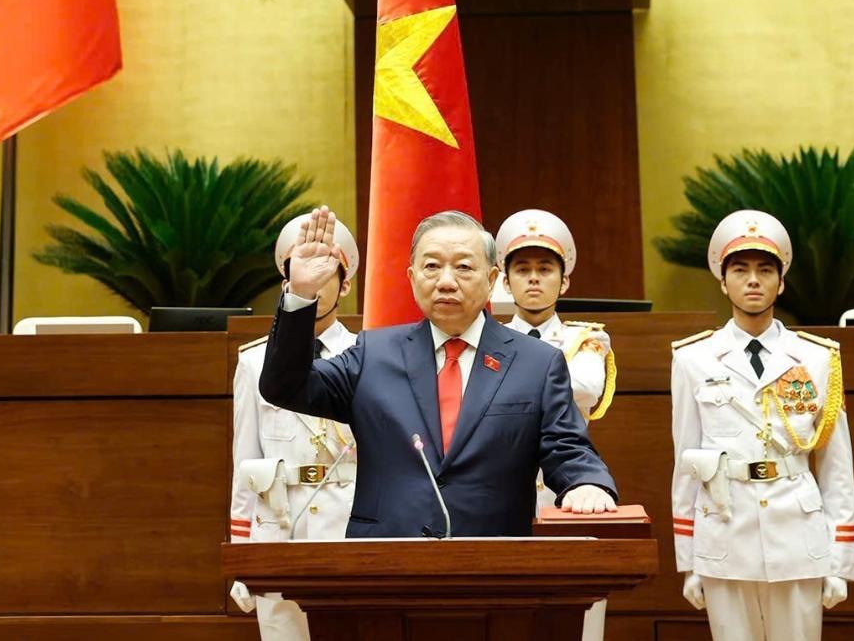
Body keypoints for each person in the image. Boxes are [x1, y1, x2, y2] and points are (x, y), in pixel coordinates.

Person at [259, 206, 618, 538]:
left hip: (494, 561)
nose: (446, 281)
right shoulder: (373, 354)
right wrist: (301, 295)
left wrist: (586, 483)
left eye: (463, 267)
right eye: (431, 266)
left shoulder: (536, 363)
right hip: (387, 560)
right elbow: (285, 387)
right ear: (412, 277)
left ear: (492, 278)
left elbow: (567, 447)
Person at [670, 210, 854, 641]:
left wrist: (840, 559)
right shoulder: (693, 358)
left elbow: (836, 466)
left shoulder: (817, 358)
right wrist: (690, 560)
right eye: (740, 270)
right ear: (723, 281)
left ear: (781, 281)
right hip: (724, 532)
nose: (753, 280)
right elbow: (686, 464)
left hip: (798, 534)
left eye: (765, 270)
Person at [229, 215, 361, 641]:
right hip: (280, 527)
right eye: (303, 272)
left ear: (344, 285)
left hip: (348, 525)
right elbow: (245, 464)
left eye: (326, 273)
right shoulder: (255, 362)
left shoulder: (368, 354)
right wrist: (243, 554)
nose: (314, 284)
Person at [494, 208, 616, 641]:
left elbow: (584, 387)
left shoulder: (587, 339)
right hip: (502, 492)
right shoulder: (485, 339)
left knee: (573, 615)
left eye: (545, 269)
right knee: (506, 614)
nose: (533, 278)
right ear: (504, 281)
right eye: (522, 269)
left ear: (564, 281)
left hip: (566, 492)